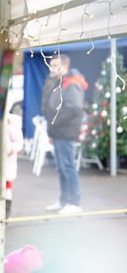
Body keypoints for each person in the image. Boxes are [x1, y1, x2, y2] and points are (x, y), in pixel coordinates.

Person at [42, 53, 87, 214]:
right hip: (59, 132)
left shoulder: (71, 83)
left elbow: (74, 108)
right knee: (62, 167)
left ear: (65, 66)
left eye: (55, 65)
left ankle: (74, 202)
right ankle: (64, 200)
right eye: (51, 65)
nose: (52, 69)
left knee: (68, 167)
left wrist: (55, 123)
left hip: (66, 132)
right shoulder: (59, 82)